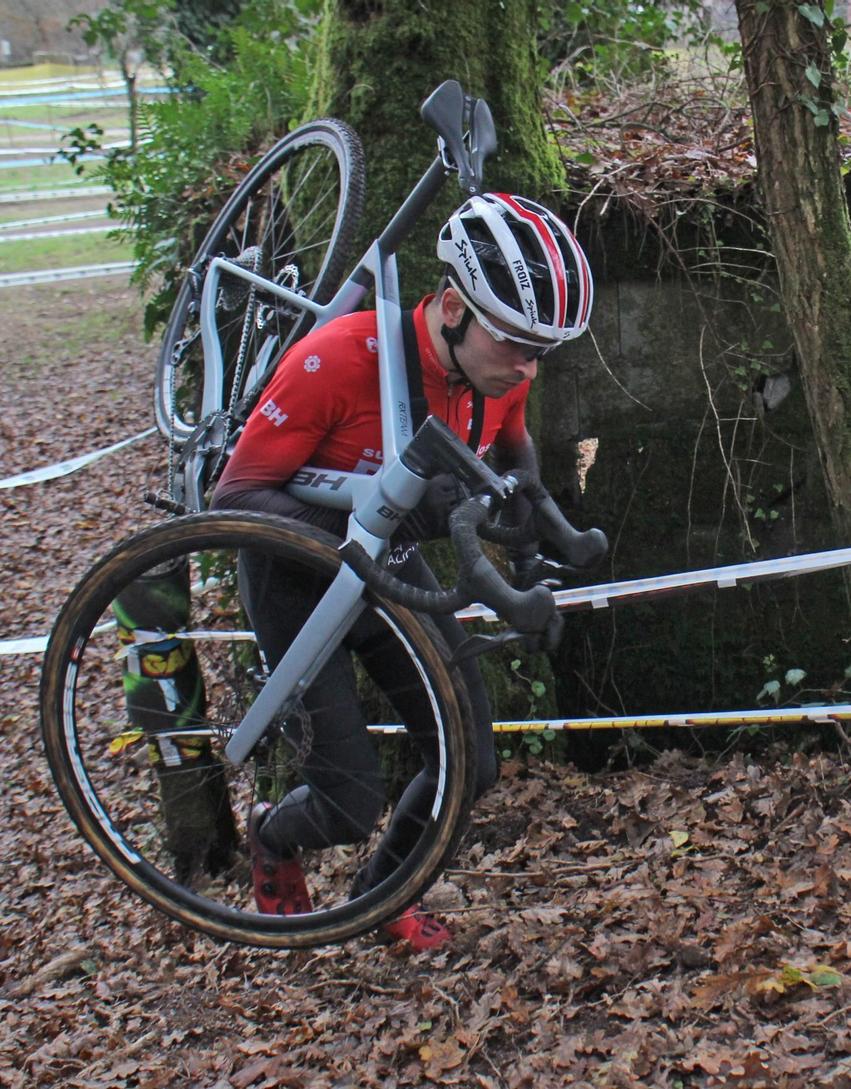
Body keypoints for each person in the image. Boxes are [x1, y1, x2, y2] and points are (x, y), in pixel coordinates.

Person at [211, 193, 593, 950]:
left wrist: (530, 543)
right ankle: (272, 835)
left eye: (541, 350)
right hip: (295, 578)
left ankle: (384, 896)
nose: (527, 364)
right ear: (452, 306)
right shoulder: (339, 359)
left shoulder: (505, 365)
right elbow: (235, 500)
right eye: (515, 342)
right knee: (349, 800)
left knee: (469, 760)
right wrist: (400, 517)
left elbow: (514, 446)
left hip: (392, 568)